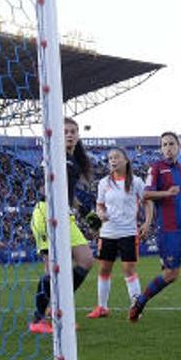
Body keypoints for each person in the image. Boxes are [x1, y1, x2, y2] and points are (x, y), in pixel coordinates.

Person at [130, 132, 181, 324]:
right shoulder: (156, 168)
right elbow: (146, 195)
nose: (168, 148)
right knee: (171, 274)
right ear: (161, 148)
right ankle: (140, 302)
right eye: (164, 144)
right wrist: (167, 193)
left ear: (178, 146)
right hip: (169, 229)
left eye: (171, 144)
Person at [29, 118, 95, 334]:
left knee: (86, 260)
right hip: (47, 212)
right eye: (65, 131)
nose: (70, 134)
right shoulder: (53, 155)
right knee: (53, 269)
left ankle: (57, 306)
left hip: (65, 214)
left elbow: (69, 195)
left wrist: (86, 213)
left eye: (73, 131)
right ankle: (38, 319)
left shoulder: (73, 161)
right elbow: (41, 185)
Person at [87, 148, 149, 318]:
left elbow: (147, 202)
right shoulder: (104, 182)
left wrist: (147, 222)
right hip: (107, 232)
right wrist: (100, 213)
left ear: (126, 160)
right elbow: (100, 204)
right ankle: (102, 307)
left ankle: (136, 307)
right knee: (104, 269)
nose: (112, 161)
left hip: (128, 231)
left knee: (128, 269)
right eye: (110, 158)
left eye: (116, 157)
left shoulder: (136, 182)